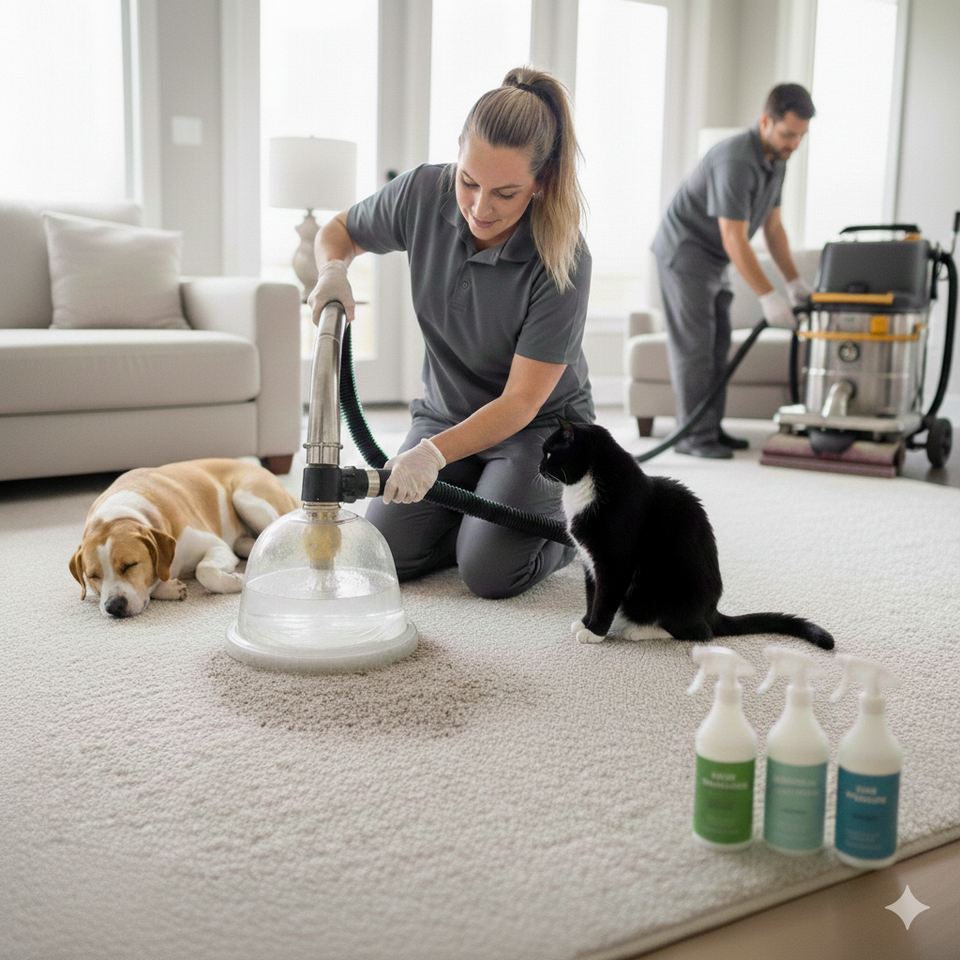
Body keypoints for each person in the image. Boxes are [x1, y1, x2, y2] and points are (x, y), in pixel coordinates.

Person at [307, 66, 593, 599]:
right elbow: (338, 230)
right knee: (385, 554)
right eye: (469, 182)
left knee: (489, 573)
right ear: (457, 159)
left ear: (542, 182)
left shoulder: (563, 258)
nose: (481, 208)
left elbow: (522, 403)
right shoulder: (423, 192)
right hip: (445, 414)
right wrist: (333, 270)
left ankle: (567, 532)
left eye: (506, 193)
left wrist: (431, 457)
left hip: (537, 434)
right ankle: (472, 515)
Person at [650, 82, 816, 459]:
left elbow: (773, 228)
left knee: (718, 345)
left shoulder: (776, 162)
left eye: (800, 136)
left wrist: (794, 283)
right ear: (765, 122)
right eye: (788, 134)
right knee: (695, 350)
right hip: (685, 255)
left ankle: (709, 430)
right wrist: (768, 296)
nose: (794, 144)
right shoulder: (736, 159)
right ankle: (693, 438)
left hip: (714, 261)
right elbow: (733, 235)